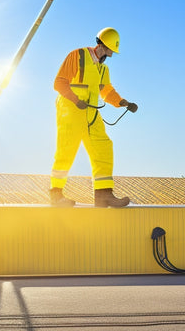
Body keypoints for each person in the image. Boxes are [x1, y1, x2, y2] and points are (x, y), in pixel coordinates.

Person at [49, 27, 138, 208]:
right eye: (111, 50)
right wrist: (75, 99)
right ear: (102, 45)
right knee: (67, 150)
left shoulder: (103, 69)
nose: (112, 55)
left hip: (91, 113)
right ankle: (56, 195)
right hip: (71, 111)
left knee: (103, 147)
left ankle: (103, 194)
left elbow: (107, 91)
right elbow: (59, 83)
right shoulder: (77, 56)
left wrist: (124, 103)